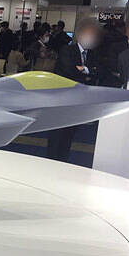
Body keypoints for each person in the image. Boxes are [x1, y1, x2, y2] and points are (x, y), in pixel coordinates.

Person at [48, 18, 101, 162]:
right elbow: (69, 70)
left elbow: (98, 71)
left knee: (70, 131)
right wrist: (87, 73)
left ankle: (63, 159)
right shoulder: (67, 50)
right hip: (62, 97)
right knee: (57, 130)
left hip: (79, 99)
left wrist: (84, 69)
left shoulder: (93, 54)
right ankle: (51, 159)